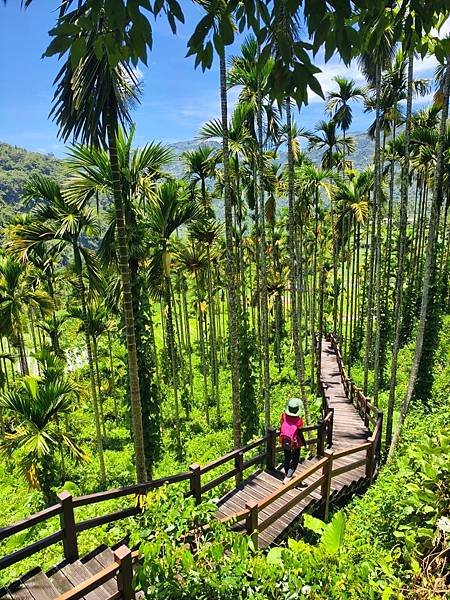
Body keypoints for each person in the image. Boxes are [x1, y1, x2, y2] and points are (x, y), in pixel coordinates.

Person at [280, 397, 306, 484]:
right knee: (295, 460)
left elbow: (281, 425)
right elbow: (299, 431)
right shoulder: (298, 420)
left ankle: (287, 474)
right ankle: (288, 477)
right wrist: (304, 442)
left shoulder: (283, 416)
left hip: (285, 440)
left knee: (287, 458)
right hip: (295, 443)